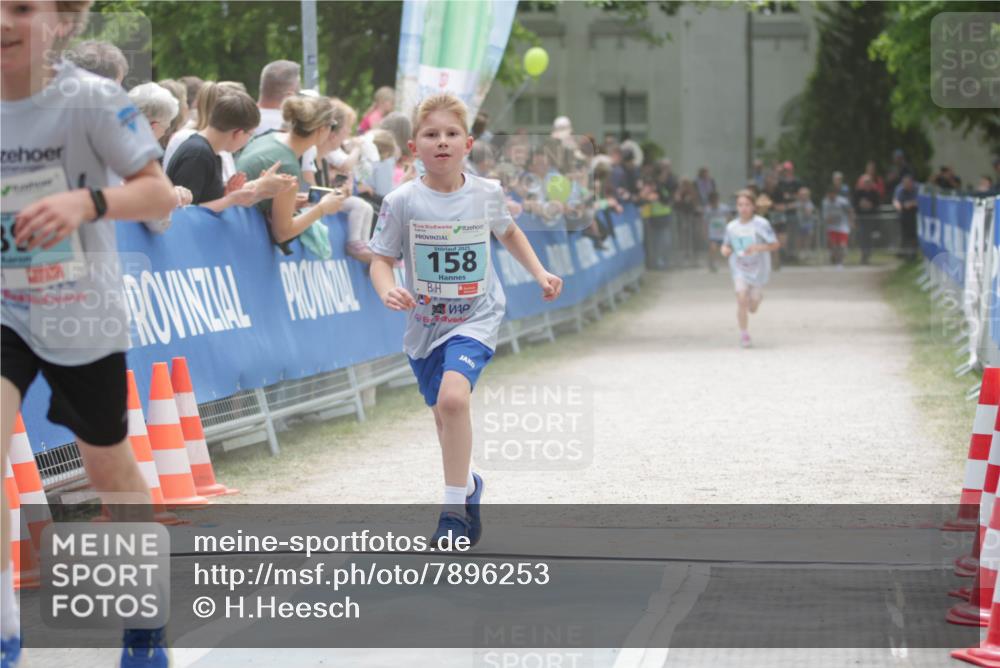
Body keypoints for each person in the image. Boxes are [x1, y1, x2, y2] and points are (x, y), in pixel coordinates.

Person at [1, 2, 178, 666]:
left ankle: (145, 615)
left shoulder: (94, 100)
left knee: (105, 460)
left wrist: (87, 201)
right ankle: (4, 631)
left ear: (65, 21)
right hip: (5, 305)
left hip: (80, 309)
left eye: (22, 6)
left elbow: (159, 195)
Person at [368, 94, 563, 547]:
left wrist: (539, 272)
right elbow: (380, 260)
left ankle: (452, 512)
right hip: (424, 325)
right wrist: (386, 288)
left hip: (476, 315)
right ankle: (469, 486)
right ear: (414, 146)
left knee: (454, 401)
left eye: (451, 134)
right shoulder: (401, 202)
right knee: (442, 414)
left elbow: (509, 232)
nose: (442, 141)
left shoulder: (486, 193)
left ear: (468, 144)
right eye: (431, 134)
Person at [235, 94, 346, 254]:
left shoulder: (269, 138)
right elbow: (282, 233)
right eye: (332, 125)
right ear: (322, 128)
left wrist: (290, 204)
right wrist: (322, 208)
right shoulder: (287, 165)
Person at [166, 90, 270, 210]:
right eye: (250, 134)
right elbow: (185, 211)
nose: (248, 140)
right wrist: (230, 200)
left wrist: (226, 193)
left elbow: (204, 199)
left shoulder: (209, 152)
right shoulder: (198, 154)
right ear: (238, 133)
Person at [720, 190, 781, 348]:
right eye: (740, 205)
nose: (743, 208)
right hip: (739, 269)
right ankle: (744, 335)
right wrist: (725, 250)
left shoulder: (761, 224)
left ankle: (757, 299)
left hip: (758, 270)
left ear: (753, 206)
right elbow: (726, 245)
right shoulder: (731, 226)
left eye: (747, 205)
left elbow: (775, 244)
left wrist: (758, 247)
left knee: (752, 307)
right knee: (741, 300)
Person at [822, 185, 854, 268]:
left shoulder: (842, 201)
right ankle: (836, 259)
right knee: (834, 245)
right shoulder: (825, 202)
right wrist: (828, 220)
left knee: (842, 245)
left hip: (842, 226)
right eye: (829, 194)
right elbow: (825, 216)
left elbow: (850, 211)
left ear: (835, 194)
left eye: (832, 194)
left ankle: (840, 261)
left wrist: (851, 222)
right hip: (832, 227)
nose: (830, 196)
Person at [853, 174, 881, 264]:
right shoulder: (858, 192)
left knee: (869, 237)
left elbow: (877, 205)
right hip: (861, 218)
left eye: (869, 182)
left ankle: (868, 254)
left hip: (871, 219)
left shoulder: (874, 193)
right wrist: (861, 205)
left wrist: (870, 205)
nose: (867, 184)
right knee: (861, 236)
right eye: (865, 182)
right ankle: (863, 254)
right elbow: (854, 205)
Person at [892, 173, 919, 259]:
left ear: (911, 183)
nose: (906, 185)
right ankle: (904, 253)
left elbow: (921, 201)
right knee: (904, 235)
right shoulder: (900, 189)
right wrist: (899, 207)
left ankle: (913, 254)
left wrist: (911, 204)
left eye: (908, 183)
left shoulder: (918, 188)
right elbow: (896, 201)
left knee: (913, 235)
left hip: (915, 215)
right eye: (904, 184)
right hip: (904, 215)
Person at [703, 190, 730, 272]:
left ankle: (733, 264)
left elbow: (729, 218)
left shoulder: (724, 208)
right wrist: (705, 232)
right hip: (713, 233)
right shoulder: (708, 210)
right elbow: (705, 222)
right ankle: (711, 264)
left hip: (723, 232)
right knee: (713, 248)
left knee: (727, 248)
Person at [793, 186, 818, 256]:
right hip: (799, 223)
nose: (802, 196)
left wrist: (803, 206)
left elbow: (808, 213)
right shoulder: (797, 203)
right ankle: (799, 253)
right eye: (801, 195)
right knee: (800, 238)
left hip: (808, 224)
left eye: (804, 195)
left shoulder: (809, 203)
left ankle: (807, 251)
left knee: (808, 238)